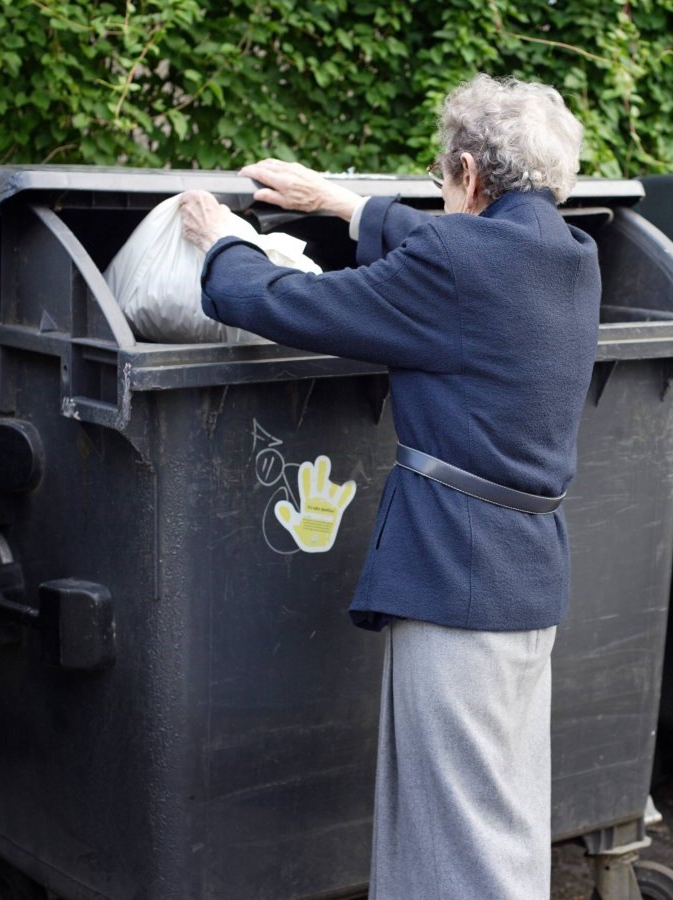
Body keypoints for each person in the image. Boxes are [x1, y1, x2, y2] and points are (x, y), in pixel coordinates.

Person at [179, 74, 599, 900]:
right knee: (477, 818)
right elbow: (460, 249)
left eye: (445, 178)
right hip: (524, 582)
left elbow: (281, 302)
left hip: (456, 581)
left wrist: (225, 241)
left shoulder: (456, 261)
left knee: (467, 838)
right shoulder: (570, 258)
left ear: (470, 175)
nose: (442, 198)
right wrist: (344, 204)